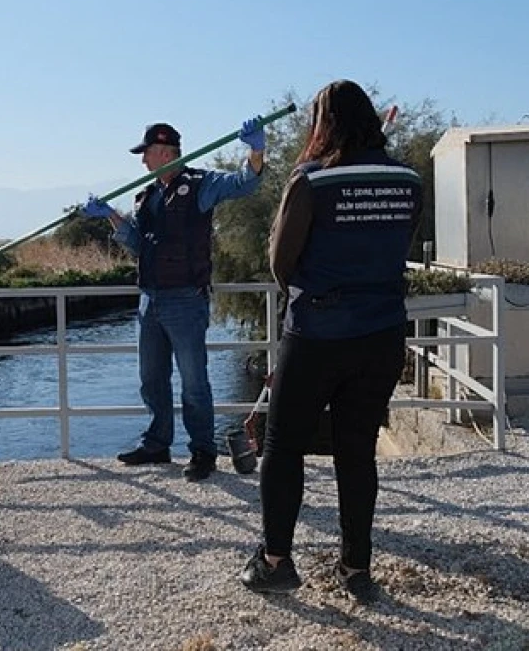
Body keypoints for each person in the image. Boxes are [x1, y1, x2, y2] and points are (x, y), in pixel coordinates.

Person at [238, 81, 422, 600]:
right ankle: (356, 571)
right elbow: (400, 242)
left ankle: (275, 560)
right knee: (357, 450)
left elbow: (280, 259)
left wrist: (307, 292)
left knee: (283, 443)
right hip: (382, 332)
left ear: (325, 122)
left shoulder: (312, 180)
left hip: (317, 332)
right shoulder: (407, 179)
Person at [80, 116, 266, 481]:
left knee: (194, 381)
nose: (142, 161)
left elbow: (244, 182)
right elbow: (137, 244)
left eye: (146, 153)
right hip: (150, 300)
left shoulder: (201, 185)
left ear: (164, 152)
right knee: (151, 378)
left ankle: (202, 451)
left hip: (186, 300)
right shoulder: (145, 196)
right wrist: (111, 217)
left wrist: (256, 150)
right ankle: (157, 443)